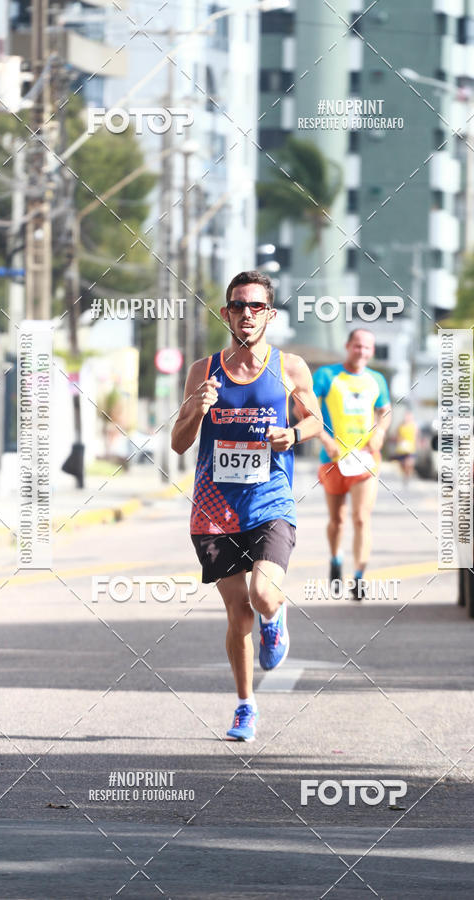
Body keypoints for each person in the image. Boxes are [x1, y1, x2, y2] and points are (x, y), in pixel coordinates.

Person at [171, 271, 322, 742]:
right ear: (227, 313)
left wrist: (293, 434)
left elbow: (317, 421)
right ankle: (245, 706)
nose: (247, 314)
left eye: (257, 306)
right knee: (237, 614)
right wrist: (197, 407)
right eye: (239, 305)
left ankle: (275, 618)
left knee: (262, 596)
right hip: (215, 507)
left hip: (269, 499)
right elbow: (178, 444)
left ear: (270, 315)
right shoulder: (203, 370)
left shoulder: (290, 367)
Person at [313, 328, 391, 601]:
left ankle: (358, 576)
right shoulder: (326, 375)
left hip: (365, 459)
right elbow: (305, 408)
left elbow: (385, 410)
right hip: (333, 460)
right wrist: (324, 438)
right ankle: (336, 558)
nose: (362, 352)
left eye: (367, 348)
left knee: (361, 518)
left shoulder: (377, 379)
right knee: (338, 520)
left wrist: (380, 432)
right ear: (347, 346)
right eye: (357, 346)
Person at [393, 410, 417, 487]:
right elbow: (396, 436)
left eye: (409, 417)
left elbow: (416, 436)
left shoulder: (414, 426)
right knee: (402, 464)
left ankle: (408, 476)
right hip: (401, 448)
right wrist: (399, 440)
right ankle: (405, 475)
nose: (407, 418)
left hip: (410, 448)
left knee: (409, 463)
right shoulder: (400, 426)